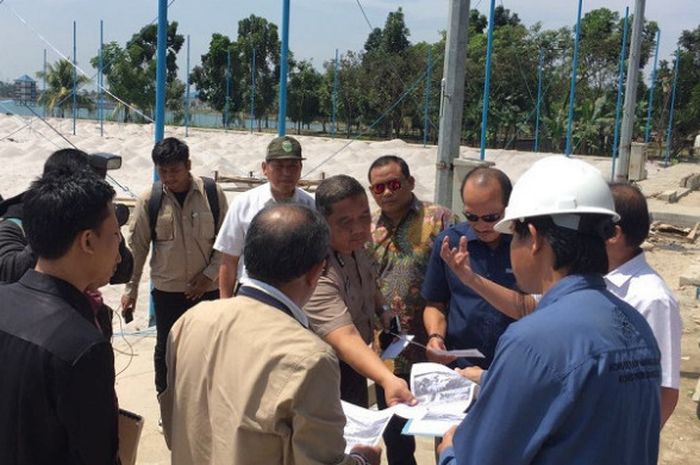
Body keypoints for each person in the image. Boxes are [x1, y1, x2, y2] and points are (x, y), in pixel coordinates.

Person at [437, 156, 661, 465]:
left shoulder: (532, 340)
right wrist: (491, 378)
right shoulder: (636, 324)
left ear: (535, 238)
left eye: (513, 235)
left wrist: (449, 451)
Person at [160, 203, 381, 465]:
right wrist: (361, 459)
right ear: (316, 272)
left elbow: (176, 423)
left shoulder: (190, 321)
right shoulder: (310, 358)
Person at [0, 169, 121, 464]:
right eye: (116, 236)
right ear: (88, 242)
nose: (119, 253)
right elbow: (97, 453)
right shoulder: (83, 345)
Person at [122, 137, 228, 396]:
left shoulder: (212, 194)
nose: (169, 177)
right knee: (166, 349)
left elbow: (227, 241)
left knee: (209, 349)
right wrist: (131, 289)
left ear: (188, 165)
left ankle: (205, 402)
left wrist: (208, 276)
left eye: (175, 170)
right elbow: (138, 247)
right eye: (163, 171)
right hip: (168, 292)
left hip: (207, 291)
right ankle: (166, 401)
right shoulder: (150, 199)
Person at [368, 155, 455, 465]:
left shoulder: (441, 219)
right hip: (389, 349)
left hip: (434, 343)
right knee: (396, 433)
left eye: (393, 184)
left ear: (409, 183)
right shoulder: (367, 228)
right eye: (378, 188)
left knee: (440, 429)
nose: (387, 192)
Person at [304, 174, 416, 408]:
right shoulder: (316, 270)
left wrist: (383, 309)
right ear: (322, 221)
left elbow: (369, 282)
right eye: (345, 222)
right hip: (324, 377)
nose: (358, 229)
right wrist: (387, 379)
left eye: (364, 217)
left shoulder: (358, 247)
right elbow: (344, 338)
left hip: (357, 365)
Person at [0, 149, 133, 339]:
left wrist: (106, 228)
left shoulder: (90, 219)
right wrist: (56, 228)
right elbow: (8, 271)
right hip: (38, 332)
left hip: (81, 322)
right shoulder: (13, 223)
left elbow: (124, 270)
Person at [422, 167, 517, 369]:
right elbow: (435, 303)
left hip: (514, 365)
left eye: (491, 217)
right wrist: (435, 336)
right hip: (461, 365)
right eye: (471, 217)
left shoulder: (527, 245)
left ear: (510, 207)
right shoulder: (449, 242)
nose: (481, 225)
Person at [214, 135, 315, 297]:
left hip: (296, 295)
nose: (286, 172)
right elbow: (229, 260)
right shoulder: (243, 204)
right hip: (252, 292)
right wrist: (225, 304)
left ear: (301, 168)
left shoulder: (311, 206)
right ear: (264, 168)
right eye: (279, 166)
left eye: (292, 166)